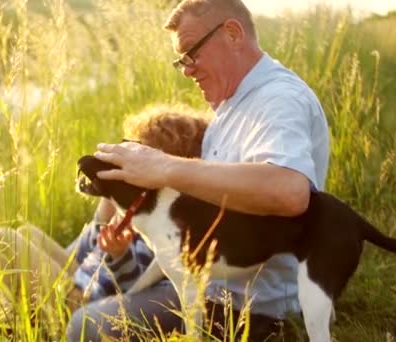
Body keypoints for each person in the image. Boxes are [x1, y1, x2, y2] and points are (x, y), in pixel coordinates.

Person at [93, 0, 330, 341]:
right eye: (181, 60)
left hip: (248, 308)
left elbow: (289, 191)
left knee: (85, 325)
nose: (187, 69)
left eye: (192, 52)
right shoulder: (229, 106)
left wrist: (164, 167)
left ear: (232, 33)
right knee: (104, 301)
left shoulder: (278, 100)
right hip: (208, 280)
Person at [0, 104, 209, 339]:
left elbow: (136, 290)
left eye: (136, 153)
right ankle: (12, 320)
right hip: (82, 278)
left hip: (84, 300)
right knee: (26, 232)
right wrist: (102, 216)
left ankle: (6, 325)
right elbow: (83, 254)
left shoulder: (161, 221)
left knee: (1, 240)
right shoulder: (130, 207)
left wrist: (119, 255)